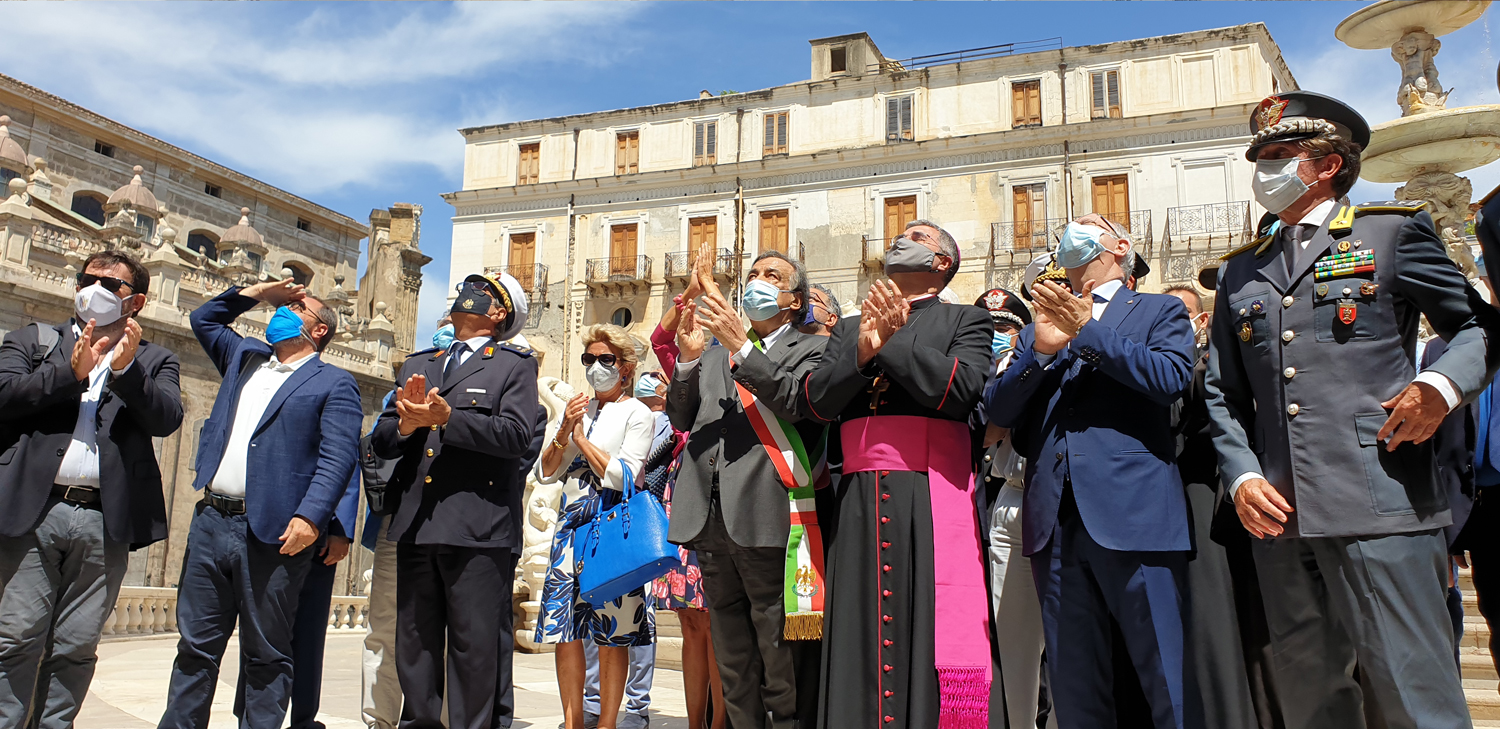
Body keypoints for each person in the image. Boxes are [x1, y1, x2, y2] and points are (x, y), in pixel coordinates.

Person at [1205, 90, 1495, 729]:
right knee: (1311, 697)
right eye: (1260, 156)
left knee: (1413, 692)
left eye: (1281, 154)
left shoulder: (1388, 233)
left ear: (1328, 164)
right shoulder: (1239, 273)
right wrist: (1242, 474)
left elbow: (1478, 329)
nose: (1264, 168)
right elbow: (1221, 392)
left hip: (1380, 497)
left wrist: (1440, 388)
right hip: (1279, 515)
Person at [987, 215, 1195, 729]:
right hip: (1054, 522)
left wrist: (1088, 333)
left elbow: (1169, 379)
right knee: (1073, 679)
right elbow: (998, 410)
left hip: (1134, 516)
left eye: (1087, 225)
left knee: (1165, 671)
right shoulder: (1039, 326)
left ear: (1120, 246)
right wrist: (1038, 351)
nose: (1070, 232)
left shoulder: (1157, 309)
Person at [804, 220, 993, 729]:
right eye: (899, 233)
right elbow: (819, 402)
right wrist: (862, 351)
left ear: (942, 263)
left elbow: (961, 392)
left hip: (929, 493)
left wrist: (888, 344)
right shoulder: (847, 327)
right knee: (859, 626)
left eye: (920, 236)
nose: (900, 238)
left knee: (928, 621)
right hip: (858, 497)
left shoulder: (966, 320)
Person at [160, 277, 362, 729]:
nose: (283, 312)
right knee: (195, 648)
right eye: (283, 305)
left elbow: (338, 457)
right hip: (212, 521)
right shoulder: (245, 358)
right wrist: (257, 293)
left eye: (296, 307)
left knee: (267, 655)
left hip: (273, 532)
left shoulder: (335, 383)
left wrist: (312, 517)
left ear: (320, 330)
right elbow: (204, 318)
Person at [0, 251, 182, 729]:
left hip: (106, 520)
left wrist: (125, 372)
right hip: (35, 512)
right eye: (89, 278)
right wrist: (70, 373)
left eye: (111, 283)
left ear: (136, 301)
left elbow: (167, 419)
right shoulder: (33, 340)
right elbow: (4, 397)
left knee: (76, 645)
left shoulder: (156, 359)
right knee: (16, 636)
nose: (95, 286)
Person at [667, 250, 828, 729]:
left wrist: (741, 347)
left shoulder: (813, 349)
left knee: (780, 652)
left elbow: (801, 408)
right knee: (732, 656)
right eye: (753, 274)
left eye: (771, 276)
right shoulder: (714, 353)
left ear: (794, 300)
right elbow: (681, 417)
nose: (757, 281)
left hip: (767, 515)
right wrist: (689, 362)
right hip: (710, 520)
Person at [371, 273, 538, 729]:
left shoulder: (512, 366)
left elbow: (518, 436)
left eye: (484, 290)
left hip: (477, 528)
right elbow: (383, 438)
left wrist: (450, 419)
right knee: (414, 645)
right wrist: (407, 426)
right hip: (417, 524)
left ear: (499, 313)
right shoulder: (419, 363)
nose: (470, 291)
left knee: (473, 650)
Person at [535, 324, 655, 729]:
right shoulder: (578, 409)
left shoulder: (638, 412)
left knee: (613, 631)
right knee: (565, 629)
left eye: (606, 360)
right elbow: (547, 471)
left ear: (626, 368)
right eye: (590, 359)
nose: (596, 367)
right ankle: (572, 723)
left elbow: (624, 475)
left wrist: (582, 442)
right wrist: (565, 432)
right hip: (571, 523)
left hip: (610, 526)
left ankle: (606, 723)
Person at [1163, 282, 1262, 729]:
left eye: (1183, 313)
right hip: (1171, 502)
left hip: (1211, 503)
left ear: (1202, 320)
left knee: (1217, 625)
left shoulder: (1211, 364)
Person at [970, 288, 1056, 729]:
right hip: (1010, 495)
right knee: (1012, 635)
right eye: (986, 329)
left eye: (1004, 328)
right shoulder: (987, 370)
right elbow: (986, 426)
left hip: (1059, 500)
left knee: (1066, 635)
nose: (995, 337)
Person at [361, 319, 452, 729]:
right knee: (384, 627)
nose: (447, 335)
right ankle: (377, 720)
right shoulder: (409, 377)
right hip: (399, 520)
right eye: (445, 326)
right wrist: (406, 421)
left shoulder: (494, 376)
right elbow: (379, 439)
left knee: (450, 637)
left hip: (456, 525)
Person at [234, 469, 360, 729]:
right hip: (266, 526)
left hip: (318, 533)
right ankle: (248, 714)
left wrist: (340, 529)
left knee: (309, 633)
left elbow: (345, 457)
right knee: (258, 631)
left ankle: (303, 718)